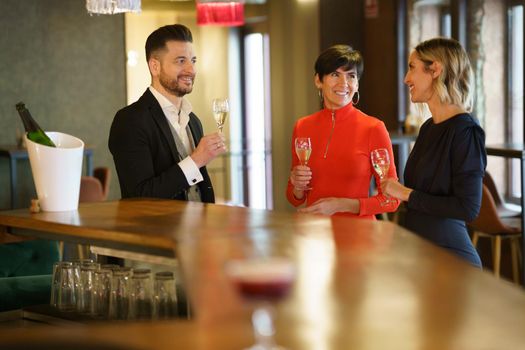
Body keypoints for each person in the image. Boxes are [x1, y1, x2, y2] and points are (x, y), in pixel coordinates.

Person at [380, 37, 486, 267]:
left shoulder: (465, 131)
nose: (406, 79)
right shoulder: (428, 128)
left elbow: (468, 208)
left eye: (411, 68)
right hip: (420, 254)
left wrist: (405, 193)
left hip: (452, 261)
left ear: (435, 69)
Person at [109, 24, 226, 203]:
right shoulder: (129, 120)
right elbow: (140, 197)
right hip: (157, 230)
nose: (191, 70)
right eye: (181, 61)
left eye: (193, 60)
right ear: (155, 67)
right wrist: (195, 160)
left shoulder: (193, 121)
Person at [287, 44, 400, 219]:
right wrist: (297, 186)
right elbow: (294, 198)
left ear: (357, 84)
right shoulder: (302, 126)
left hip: (359, 236)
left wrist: (342, 205)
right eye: (335, 74)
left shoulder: (374, 128)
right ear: (318, 80)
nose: (344, 83)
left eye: (351, 76)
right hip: (314, 236)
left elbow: (392, 199)